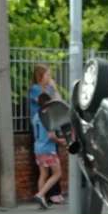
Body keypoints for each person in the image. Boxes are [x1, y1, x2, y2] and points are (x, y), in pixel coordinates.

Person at [28, 64, 64, 204]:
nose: (50, 77)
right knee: (54, 169)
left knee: (46, 170)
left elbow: (58, 101)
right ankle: (45, 194)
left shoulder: (49, 88)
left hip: (45, 131)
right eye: (48, 74)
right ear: (40, 75)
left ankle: (44, 197)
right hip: (42, 126)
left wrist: (54, 88)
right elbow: (48, 101)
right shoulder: (35, 89)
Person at [31, 93, 67, 209]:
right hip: (48, 149)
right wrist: (61, 141)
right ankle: (40, 194)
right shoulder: (48, 116)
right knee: (57, 173)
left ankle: (41, 201)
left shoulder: (36, 116)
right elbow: (51, 135)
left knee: (43, 174)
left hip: (38, 148)